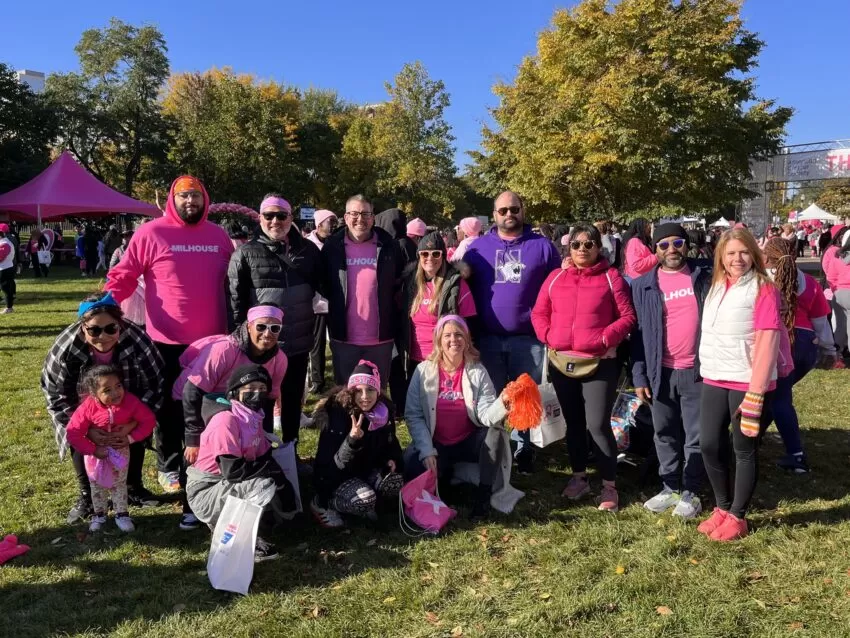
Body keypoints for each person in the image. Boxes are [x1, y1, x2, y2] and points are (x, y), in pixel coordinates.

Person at [104, 175, 234, 530]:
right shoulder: (151, 233)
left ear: (205, 198)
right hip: (166, 340)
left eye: (195, 195)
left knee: (210, 408)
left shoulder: (219, 236)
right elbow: (126, 274)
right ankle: (169, 467)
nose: (190, 201)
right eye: (183, 196)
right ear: (171, 200)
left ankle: (208, 465)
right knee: (168, 407)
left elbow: (235, 279)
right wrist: (106, 302)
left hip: (213, 342)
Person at [532, 224, 636, 511]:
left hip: (600, 363)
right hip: (562, 362)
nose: (582, 249)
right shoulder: (556, 278)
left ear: (598, 247)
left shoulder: (611, 277)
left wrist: (605, 338)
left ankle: (609, 485)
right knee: (574, 424)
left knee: (597, 425)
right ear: (569, 248)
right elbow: (539, 312)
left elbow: (627, 316)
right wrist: (549, 336)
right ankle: (579, 477)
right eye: (576, 244)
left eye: (588, 244)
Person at [41, 292, 165, 524]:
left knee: (131, 437)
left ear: (120, 324)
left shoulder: (137, 339)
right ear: (82, 327)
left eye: (111, 328)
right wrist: (86, 430)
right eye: (94, 330)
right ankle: (88, 496)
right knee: (78, 439)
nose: (103, 336)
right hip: (80, 405)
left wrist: (131, 423)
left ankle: (133, 487)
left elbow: (156, 382)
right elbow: (56, 394)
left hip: (128, 398)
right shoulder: (66, 348)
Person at [462, 191, 561, 474]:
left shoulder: (542, 247)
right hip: (487, 338)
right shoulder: (477, 249)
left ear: (523, 210)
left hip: (528, 338)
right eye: (503, 210)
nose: (509, 215)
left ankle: (523, 449)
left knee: (525, 395)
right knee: (490, 395)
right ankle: (492, 445)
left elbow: (557, 289)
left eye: (514, 209)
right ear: (493, 214)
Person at [697, 228, 781, 541]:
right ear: (721, 256)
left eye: (744, 252)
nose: (737, 259)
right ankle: (721, 507)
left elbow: (768, 341)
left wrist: (756, 393)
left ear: (754, 255)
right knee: (708, 443)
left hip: (747, 381)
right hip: (715, 376)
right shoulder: (716, 285)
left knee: (743, 448)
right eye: (731, 253)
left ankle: (738, 515)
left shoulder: (763, 288)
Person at [404, 316, 523, 519]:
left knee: (495, 432)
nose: (454, 340)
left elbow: (486, 416)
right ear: (439, 340)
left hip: (468, 441)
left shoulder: (477, 371)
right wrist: (426, 450)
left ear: (467, 340)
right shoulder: (423, 371)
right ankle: (447, 476)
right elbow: (413, 415)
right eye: (447, 335)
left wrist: (502, 403)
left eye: (459, 335)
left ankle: (483, 497)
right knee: (410, 466)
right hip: (437, 442)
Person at [227, 194, 321, 447]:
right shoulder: (245, 254)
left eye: (281, 215)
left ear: (291, 218)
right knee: (261, 402)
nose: (275, 221)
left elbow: (324, 284)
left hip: (298, 341)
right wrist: (241, 344)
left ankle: (291, 449)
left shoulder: (308, 250)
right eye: (269, 215)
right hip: (261, 345)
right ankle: (262, 451)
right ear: (260, 218)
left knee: (292, 400)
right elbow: (235, 303)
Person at [631, 223, 711, 519]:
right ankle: (669, 487)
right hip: (660, 373)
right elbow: (637, 336)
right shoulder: (643, 285)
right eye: (663, 245)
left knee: (696, 436)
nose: (671, 250)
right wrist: (639, 376)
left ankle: (691, 491)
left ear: (686, 245)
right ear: (655, 250)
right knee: (664, 433)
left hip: (697, 371)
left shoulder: (705, 276)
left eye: (677, 243)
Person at [186, 364, 298, 562]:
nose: (257, 393)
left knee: (272, 486)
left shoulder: (252, 418)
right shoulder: (226, 420)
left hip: (227, 484)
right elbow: (233, 471)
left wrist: (284, 486)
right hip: (207, 489)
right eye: (251, 388)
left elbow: (264, 457)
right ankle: (241, 541)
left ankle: (259, 524)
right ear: (235, 392)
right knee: (262, 485)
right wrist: (275, 477)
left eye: (263, 389)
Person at [177, 304, 288, 465]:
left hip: (238, 409)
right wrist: (193, 439)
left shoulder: (280, 359)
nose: (267, 333)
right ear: (249, 326)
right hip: (199, 403)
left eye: (274, 328)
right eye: (261, 326)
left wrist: (264, 437)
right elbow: (192, 391)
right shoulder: (224, 350)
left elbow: (268, 401)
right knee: (203, 456)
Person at [763, 237, 834, 474]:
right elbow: (821, 323)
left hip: (782, 344)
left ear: (767, 256)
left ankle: (796, 455)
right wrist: (829, 351)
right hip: (807, 346)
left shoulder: (762, 280)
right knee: (773, 396)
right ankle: (756, 436)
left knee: (779, 399)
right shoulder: (810, 282)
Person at [319, 194, 404, 387]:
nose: (360, 219)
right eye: (355, 214)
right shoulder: (332, 247)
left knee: (377, 394)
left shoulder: (389, 246)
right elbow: (322, 282)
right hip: (344, 337)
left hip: (381, 337)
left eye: (366, 214)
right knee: (345, 395)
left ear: (373, 217)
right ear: (346, 217)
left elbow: (401, 281)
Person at [310, 361, 404, 527]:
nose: (365, 396)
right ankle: (324, 503)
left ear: (378, 392)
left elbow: (391, 443)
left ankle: (372, 503)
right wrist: (352, 440)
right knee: (364, 500)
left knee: (394, 481)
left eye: (370, 390)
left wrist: (391, 459)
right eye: (358, 391)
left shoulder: (383, 411)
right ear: (351, 392)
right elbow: (330, 465)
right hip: (336, 477)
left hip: (366, 470)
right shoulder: (338, 414)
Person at [66, 364, 157, 533]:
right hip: (95, 455)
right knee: (96, 485)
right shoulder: (88, 407)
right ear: (94, 394)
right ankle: (99, 515)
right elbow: (73, 433)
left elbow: (148, 420)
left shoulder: (130, 402)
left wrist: (130, 438)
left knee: (119, 483)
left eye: (118, 386)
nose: (116, 393)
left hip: (119, 450)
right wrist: (92, 449)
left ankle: (122, 514)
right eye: (107, 390)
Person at [397, 232, 477, 412]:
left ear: (443, 255)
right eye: (424, 254)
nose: (429, 258)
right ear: (418, 256)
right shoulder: (410, 284)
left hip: (444, 359)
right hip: (415, 360)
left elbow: (468, 325)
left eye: (436, 253)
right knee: (418, 411)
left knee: (440, 412)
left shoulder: (456, 284)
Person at [306, 209, 339, 393]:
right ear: (319, 225)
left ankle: (339, 376)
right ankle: (318, 381)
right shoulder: (309, 245)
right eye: (330, 222)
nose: (333, 226)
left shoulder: (334, 243)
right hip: (317, 304)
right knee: (317, 344)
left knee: (336, 341)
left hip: (334, 302)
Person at [826, 230, 850, 364]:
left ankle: (837, 353)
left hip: (839, 293)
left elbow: (830, 277)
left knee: (840, 325)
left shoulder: (837, 256)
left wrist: (836, 290)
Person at [0, 223, 16, 314]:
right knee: (6, 288)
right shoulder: (5, 242)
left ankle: (9, 308)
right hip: (6, 267)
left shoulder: (5, 244)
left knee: (5, 288)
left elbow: (1, 257)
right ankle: (9, 307)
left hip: (4, 269)